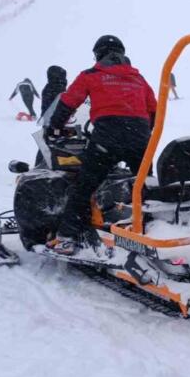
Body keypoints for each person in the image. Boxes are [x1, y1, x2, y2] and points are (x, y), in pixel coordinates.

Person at [46, 35, 156, 255]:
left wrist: (54, 126)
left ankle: (67, 237)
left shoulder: (91, 75)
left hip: (107, 137)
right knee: (144, 185)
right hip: (139, 137)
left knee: (84, 186)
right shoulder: (138, 78)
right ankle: (151, 228)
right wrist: (142, 132)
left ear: (98, 54)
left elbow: (68, 101)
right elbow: (153, 108)